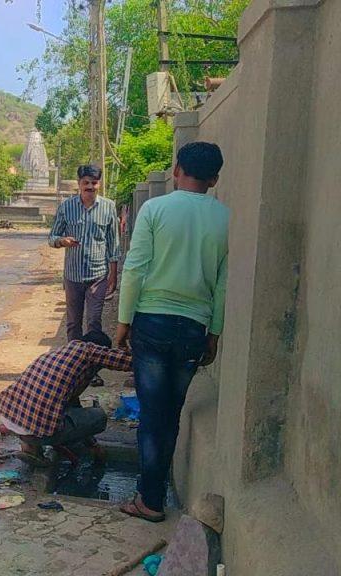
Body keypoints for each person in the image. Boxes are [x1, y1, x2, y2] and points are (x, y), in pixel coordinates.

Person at [114, 142, 229, 523]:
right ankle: (154, 493)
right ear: (214, 179)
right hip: (194, 327)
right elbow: (222, 283)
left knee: (151, 413)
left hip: (151, 322)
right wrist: (214, 332)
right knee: (172, 412)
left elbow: (134, 268)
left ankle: (149, 499)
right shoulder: (225, 219)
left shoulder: (155, 209)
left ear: (177, 170)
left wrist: (123, 321)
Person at [0, 330, 132, 466]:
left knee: (45, 409)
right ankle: (37, 443)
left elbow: (72, 404)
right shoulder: (89, 352)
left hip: (8, 418)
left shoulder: (56, 354)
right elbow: (129, 362)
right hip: (37, 429)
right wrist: (93, 445)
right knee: (99, 416)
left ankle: (30, 447)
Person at [49, 165, 120, 341]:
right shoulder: (66, 207)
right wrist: (62, 241)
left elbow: (114, 243)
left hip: (98, 276)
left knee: (94, 321)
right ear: (79, 183)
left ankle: (91, 364)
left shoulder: (109, 207)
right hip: (73, 276)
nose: (90, 186)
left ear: (99, 184)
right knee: (73, 322)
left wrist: (113, 273)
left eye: (94, 183)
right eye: (86, 182)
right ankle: (73, 362)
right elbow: (52, 237)